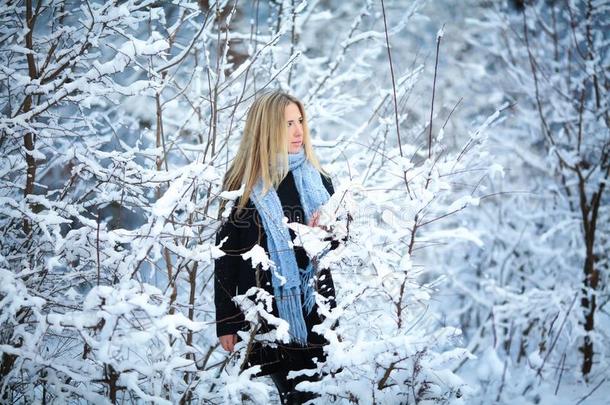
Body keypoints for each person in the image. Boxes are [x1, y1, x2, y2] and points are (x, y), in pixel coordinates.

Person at [214, 91, 338, 404]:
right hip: (267, 314)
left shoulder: (319, 179)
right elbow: (225, 257)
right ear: (267, 129)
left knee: (317, 395)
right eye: (287, 124)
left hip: (318, 308)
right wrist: (226, 321)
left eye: (300, 121)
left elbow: (339, 249)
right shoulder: (242, 184)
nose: (298, 131)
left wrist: (326, 235)